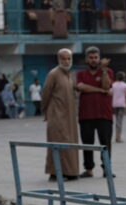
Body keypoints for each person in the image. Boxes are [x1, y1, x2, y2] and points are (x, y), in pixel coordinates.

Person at [76, 46, 115, 178]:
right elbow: (82, 88)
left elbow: (106, 86)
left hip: (104, 114)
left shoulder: (108, 71)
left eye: (96, 57)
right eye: (91, 58)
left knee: (106, 143)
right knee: (87, 143)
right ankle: (88, 169)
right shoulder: (81, 74)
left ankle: (106, 169)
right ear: (87, 59)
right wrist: (101, 91)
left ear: (99, 59)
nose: (93, 60)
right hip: (85, 115)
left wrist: (103, 71)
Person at [43, 48, 80, 181]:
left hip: (69, 116)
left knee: (71, 142)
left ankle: (71, 171)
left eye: (69, 58)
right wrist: (46, 111)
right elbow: (46, 94)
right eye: (63, 58)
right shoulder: (53, 74)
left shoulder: (70, 75)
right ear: (58, 59)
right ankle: (56, 173)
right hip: (57, 115)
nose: (66, 61)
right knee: (58, 142)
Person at [111, 71, 126, 142]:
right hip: (122, 104)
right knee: (120, 121)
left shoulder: (113, 85)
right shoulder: (125, 85)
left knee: (117, 120)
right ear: (123, 77)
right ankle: (118, 137)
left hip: (115, 104)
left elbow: (110, 93)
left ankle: (117, 136)